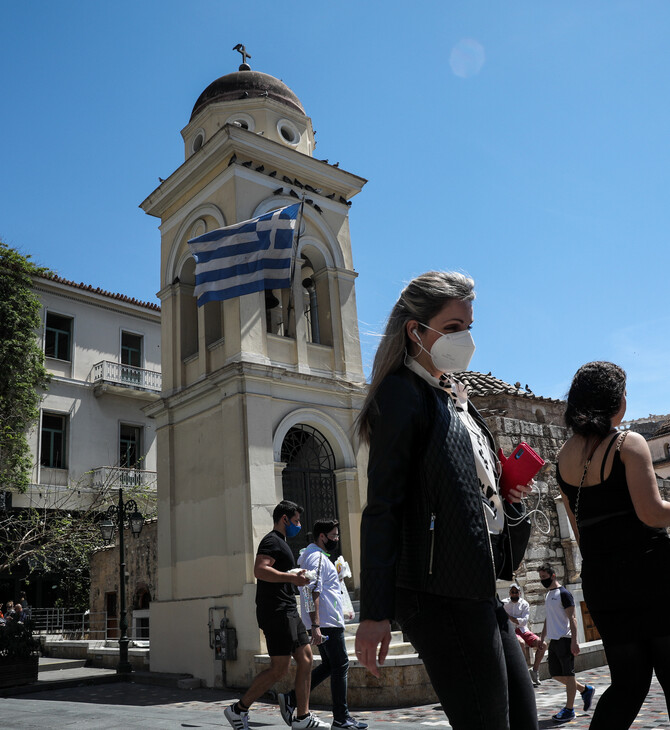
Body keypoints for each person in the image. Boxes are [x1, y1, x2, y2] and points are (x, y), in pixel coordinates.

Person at [353, 271, 538, 730]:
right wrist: (374, 612)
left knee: (524, 720)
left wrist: (505, 489)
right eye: (454, 327)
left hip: (478, 588)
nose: (467, 339)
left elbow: (471, 488)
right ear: (416, 330)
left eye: (468, 326)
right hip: (437, 596)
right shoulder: (402, 393)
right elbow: (383, 507)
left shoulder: (456, 397)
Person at [556, 361, 670, 728]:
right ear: (614, 401)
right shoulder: (627, 442)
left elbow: (580, 535)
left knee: (627, 684)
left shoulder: (563, 458)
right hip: (650, 575)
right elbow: (651, 513)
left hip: (604, 582)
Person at [224, 500, 329, 730]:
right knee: (279, 668)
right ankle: (238, 710)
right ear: (284, 519)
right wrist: (291, 578)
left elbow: (277, 571)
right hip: (277, 611)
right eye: (296, 521)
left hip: (287, 609)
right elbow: (260, 570)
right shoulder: (272, 540)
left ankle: (302, 718)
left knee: (307, 659)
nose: (298, 525)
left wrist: (295, 575)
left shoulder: (281, 542)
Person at [279, 519, 368, 730]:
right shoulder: (316, 557)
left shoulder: (314, 557)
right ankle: (341, 718)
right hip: (326, 623)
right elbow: (311, 592)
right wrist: (316, 625)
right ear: (322, 536)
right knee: (341, 665)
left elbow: (320, 588)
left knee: (331, 665)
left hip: (327, 620)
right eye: (334, 536)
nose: (336, 539)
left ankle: (292, 699)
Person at [537, 563, 594, 724]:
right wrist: (542, 637)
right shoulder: (548, 595)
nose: (542, 580)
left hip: (565, 639)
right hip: (554, 641)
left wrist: (574, 642)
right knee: (555, 674)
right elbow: (549, 618)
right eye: (540, 577)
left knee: (569, 675)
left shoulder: (564, 594)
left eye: (544, 577)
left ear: (553, 575)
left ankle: (569, 710)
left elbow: (573, 619)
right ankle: (584, 690)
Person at [502, 584, 546, 687]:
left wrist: (510, 617)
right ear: (509, 593)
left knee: (542, 644)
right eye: (512, 592)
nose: (514, 594)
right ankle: (524, 673)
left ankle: (534, 671)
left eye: (516, 592)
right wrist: (514, 620)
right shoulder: (504, 603)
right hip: (510, 630)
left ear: (519, 593)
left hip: (523, 629)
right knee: (520, 643)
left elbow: (524, 621)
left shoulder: (524, 604)